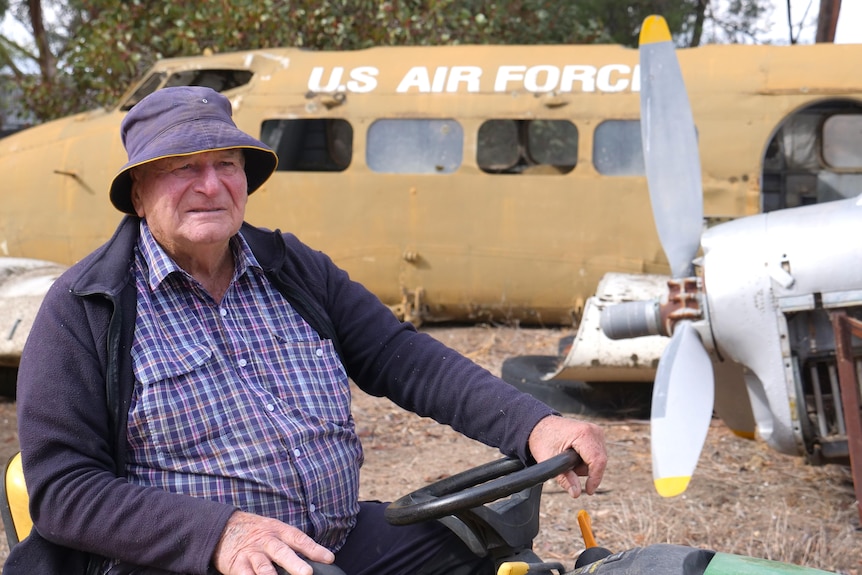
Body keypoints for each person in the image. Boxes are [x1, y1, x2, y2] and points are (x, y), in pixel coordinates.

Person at [5, 86, 606, 575]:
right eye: (184, 167)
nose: (210, 185)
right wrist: (221, 534)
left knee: (491, 552)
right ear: (138, 193)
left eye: (226, 165)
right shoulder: (86, 307)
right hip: (187, 561)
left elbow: (402, 358)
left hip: (331, 542)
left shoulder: (291, 268)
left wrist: (535, 424)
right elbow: (64, 490)